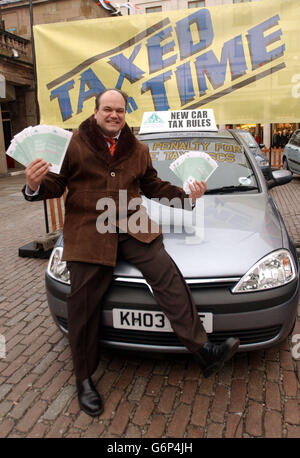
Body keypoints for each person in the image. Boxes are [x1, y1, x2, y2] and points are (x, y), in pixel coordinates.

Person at [23, 89, 240, 417]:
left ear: (126, 114)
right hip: (89, 229)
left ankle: (202, 349)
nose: (114, 115)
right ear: (96, 112)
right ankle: (83, 378)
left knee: (167, 274)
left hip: (134, 225)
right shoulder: (74, 143)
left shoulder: (138, 149)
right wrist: (34, 184)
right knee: (82, 302)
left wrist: (188, 195)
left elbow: (154, 186)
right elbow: (57, 183)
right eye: (107, 109)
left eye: (120, 110)